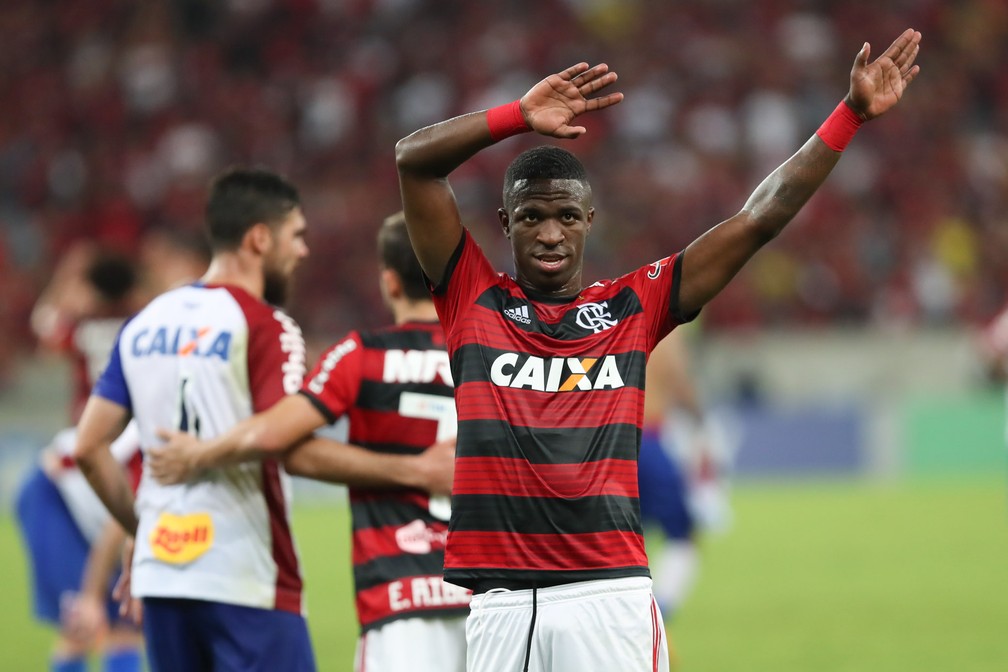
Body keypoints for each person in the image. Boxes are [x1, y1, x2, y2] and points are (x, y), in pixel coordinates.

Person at [395, 28, 921, 672]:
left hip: (609, 597)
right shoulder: (471, 296)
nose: (551, 233)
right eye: (531, 216)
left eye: (566, 215)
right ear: (505, 224)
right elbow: (413, 160)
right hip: (500, 605)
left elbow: (760, 217)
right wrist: (518, 117)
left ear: (590, 220)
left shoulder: (632, 306)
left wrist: (848, 117)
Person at [146, 212, 466, 672]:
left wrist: (199, 453)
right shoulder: (490, 352)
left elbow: (284, 441)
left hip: (400, 599)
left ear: (389, 282)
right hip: (492, 597)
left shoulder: (362, 354)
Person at [72, 166, 321, 672]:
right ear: (259, 238)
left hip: (161, 572)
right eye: (296, 236)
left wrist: (141, 530)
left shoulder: (144, 323)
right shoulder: (268, 326)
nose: (302, 252)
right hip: (245, 574)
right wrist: (202, 455)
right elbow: (283, 427)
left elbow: (89, 448)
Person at [17, 246, 146, 672]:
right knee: (101, 620)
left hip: (79, 446)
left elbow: (44, 326)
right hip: (69, 482)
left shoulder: (81, 325)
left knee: (104, 620)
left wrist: (66, 276)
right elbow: (120, 519)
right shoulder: (147, 329)